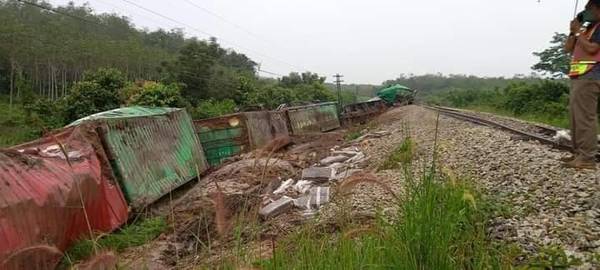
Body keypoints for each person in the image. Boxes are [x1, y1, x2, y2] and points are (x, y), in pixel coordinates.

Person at [563, 0, 600, 169]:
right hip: (579, 76)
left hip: (591, 75)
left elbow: (592, 49)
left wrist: (578, 33)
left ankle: (587, 158)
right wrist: (573, 33)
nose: (586, 12)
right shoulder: (587, 29)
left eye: (589, 8)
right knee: (576, 116)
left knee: (585, 117)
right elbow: (568, 49)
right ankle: (579, 154)